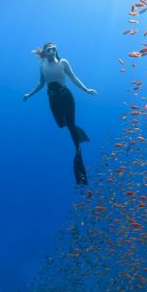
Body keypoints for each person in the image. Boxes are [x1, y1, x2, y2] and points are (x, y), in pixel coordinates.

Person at [23, 42, 97, 185]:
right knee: (61, 124)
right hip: (52, 99)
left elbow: (73, 78)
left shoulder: (63, 62)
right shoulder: (42, 66)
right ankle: (74, 128)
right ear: (45, 52)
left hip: (66, 97)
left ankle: (79, 157)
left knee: (69, 126)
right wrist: (29, 94)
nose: (52, 50)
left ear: (56, 51)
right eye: (49, 48)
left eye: (54, 48)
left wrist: (86, 89)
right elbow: (40, 84)